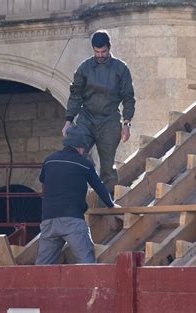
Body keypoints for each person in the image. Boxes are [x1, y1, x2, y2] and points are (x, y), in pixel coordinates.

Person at [62, 29, 136, 195]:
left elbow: (128, 97)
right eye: (97, 52)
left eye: (103, 51)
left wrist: (127, 123)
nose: (100, 55)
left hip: (109, 119)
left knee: (107, 165)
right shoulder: (84, 68)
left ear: (109, 48)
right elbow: (75, 96)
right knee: (77, 151)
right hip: (87, 117)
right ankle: (83, 192)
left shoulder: (121, 68)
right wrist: (68, 121)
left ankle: (107, 202)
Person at [36, 125, 119, 265]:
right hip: (72, 220)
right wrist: (111, 204)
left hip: (48, 220)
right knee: (86, 262)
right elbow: (99, 187)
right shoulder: (84, 164)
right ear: (80, 147)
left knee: (43, 266)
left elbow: (43, 182)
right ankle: (92, 287)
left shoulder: (49, 160)